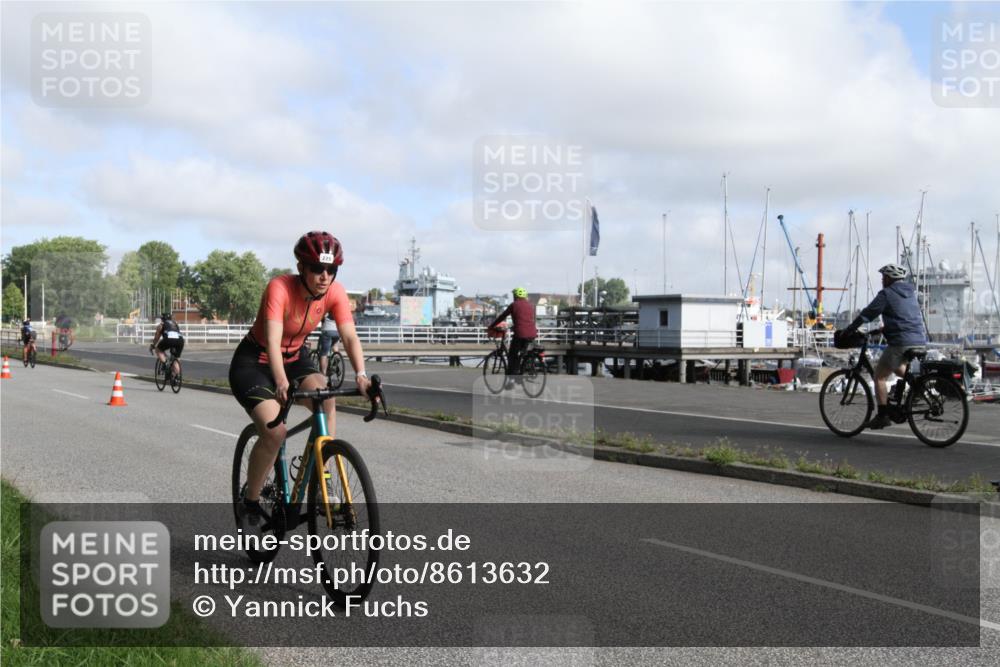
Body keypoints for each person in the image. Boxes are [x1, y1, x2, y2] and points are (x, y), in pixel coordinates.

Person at [229, 231, 370, 523]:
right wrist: (280, 381)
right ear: (301, 267)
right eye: (318, 268)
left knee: (327, 400)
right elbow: (272, 339)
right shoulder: (279, 287)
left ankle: (322, 482)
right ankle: (251, 499)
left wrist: (362, 376)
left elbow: (349, 336)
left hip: (295, 357)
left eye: (331, 269)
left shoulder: (335, 292)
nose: (325, 276)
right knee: (275, 432)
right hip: (255, 362)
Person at [841, 263, 927, 429]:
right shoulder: (910, 294)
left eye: (883, 277)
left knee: (880, 375)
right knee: (896, 367)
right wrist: (883, 329)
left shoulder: (887, 294)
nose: (882, 280)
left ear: (889, 278)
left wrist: (849, 329)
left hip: (901, 341)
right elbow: (904, 316)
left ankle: (882, 415)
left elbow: (867, 314)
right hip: (919, 339)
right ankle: (919, 387)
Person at [488, 287, 538, 385]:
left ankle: (512, 379)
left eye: (514, 296)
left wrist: (492, 325)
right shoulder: (530, 306)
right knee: (523, 353)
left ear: (515, 296)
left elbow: (503, 316)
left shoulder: (514, 305)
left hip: (520, 334)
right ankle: (523, 369)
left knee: (512, 355)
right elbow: (527, 320)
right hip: (532, 333)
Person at [149, 312, 185, 378]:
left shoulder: (161, 325)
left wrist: (153, 345)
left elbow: (157, 337)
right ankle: (176, 377)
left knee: (158, 349)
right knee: (176, 358)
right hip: (180, 340)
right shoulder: (175, 324)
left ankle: (165, 364)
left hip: (169, 339)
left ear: (162, 319)